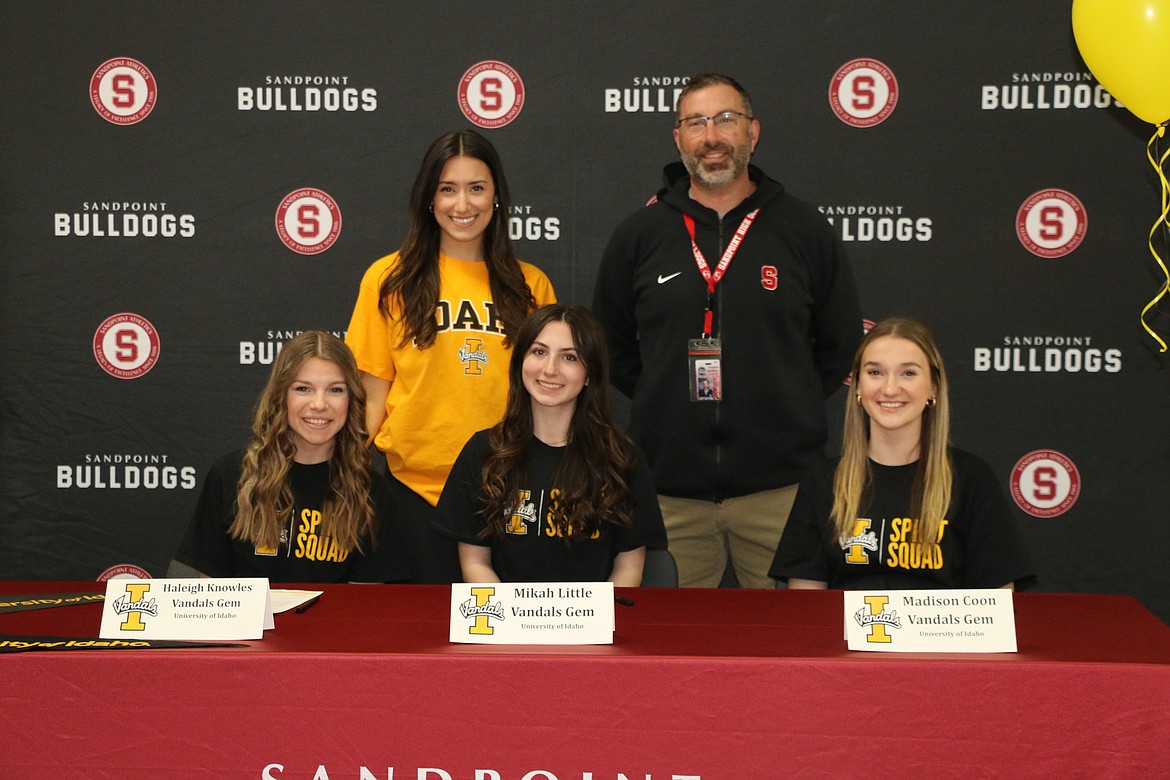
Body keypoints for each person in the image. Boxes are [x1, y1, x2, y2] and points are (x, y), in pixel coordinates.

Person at [592, 72, 863, 588]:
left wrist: (786, 396)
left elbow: (840, 343)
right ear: (678, 138)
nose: (711, 136)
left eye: (726, 119)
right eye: (696, 122)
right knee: (669, 656)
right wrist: (661, 391)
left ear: (753, 132)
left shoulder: (803, 229)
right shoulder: (639, 235)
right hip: (670, 493)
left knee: (792, 653)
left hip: (781, 492)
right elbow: (610, 346)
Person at [346, 130, 556, 583]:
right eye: (448, 189)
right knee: (424, 642)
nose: (463, 204)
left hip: (509, 491)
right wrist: (343, 472)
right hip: (415, 494)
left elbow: (549, 397)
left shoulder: (531, 286)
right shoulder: (387, 279)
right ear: (429, 198)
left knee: (508, 641)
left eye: (476, 188)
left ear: (497, 197)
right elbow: (372, 396)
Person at [769, 316, 1034, 590]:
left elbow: (997, 605)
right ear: (858, 386)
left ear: (933, 387)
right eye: (875, 372)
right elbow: (806, 607)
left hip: (943, 634)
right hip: (844, 633)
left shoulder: (971, 479)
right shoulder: (823, 480)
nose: (890, 388)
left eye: (908, 373)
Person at [434, 304, 667, 585]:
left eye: (569, 357)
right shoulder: (483, 452)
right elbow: (475, 562)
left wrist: (592, 625)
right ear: (521, 361)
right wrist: (512, 620)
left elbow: (628, 568)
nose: (550, 369)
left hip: (591, 623)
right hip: (506, 621)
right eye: (539, 352)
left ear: (590, 374)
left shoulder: (621, 458)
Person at [174, 331, 408, 583]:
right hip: (249, 624)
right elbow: (211, 594)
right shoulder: (231, 475)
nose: (319, 404)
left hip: (333, 624)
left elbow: (365, 607)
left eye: (335, 390)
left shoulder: (372, 493)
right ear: (281, 395)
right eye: (303, 388)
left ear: (351, 400)